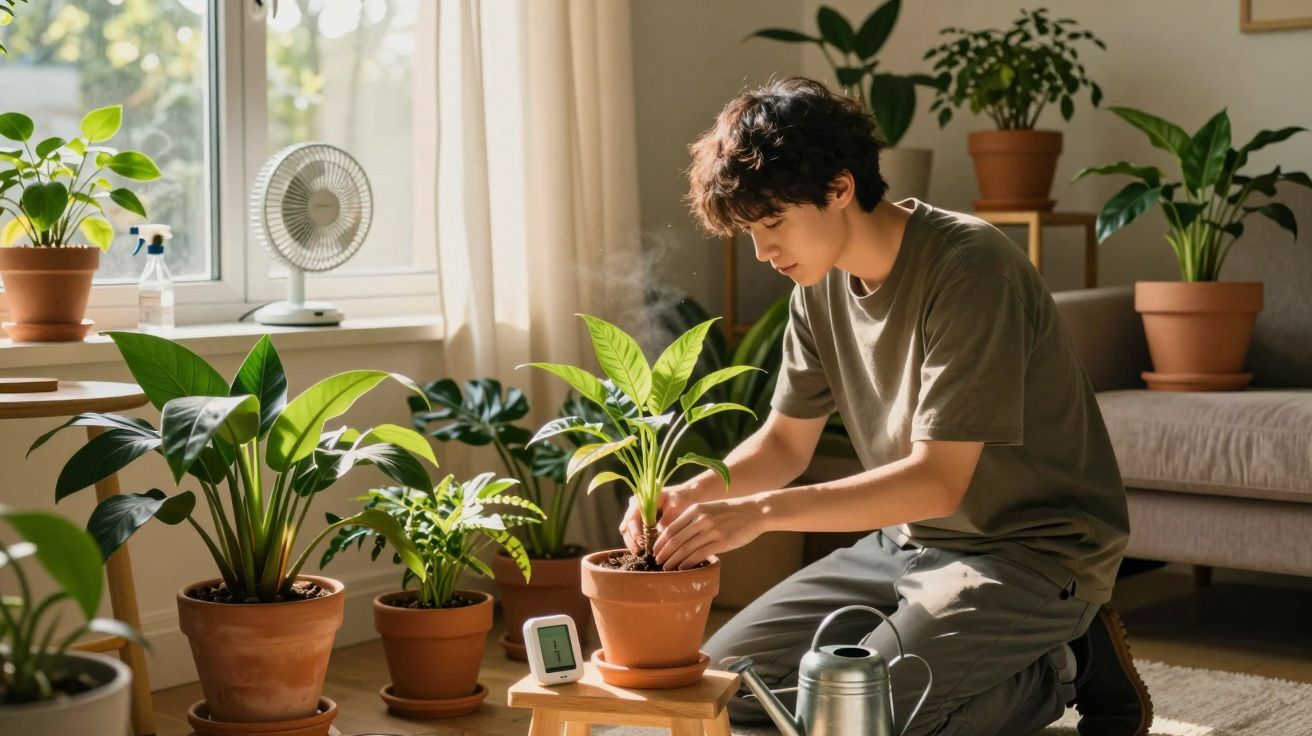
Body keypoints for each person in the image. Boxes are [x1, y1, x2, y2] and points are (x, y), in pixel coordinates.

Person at [618, 76, 1152, 736]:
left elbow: (938, 481)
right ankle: (937, 650)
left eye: (774, 223)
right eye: (750, 231)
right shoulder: (816, 289)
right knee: (724, 685)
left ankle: (1067, 663)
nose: (763, 251)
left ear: (841, 188)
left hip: (1029, 552)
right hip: (906, 542)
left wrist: (758, 514)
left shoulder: (971, 269)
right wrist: (691, 495)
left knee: (855, 718)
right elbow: (784, 445)